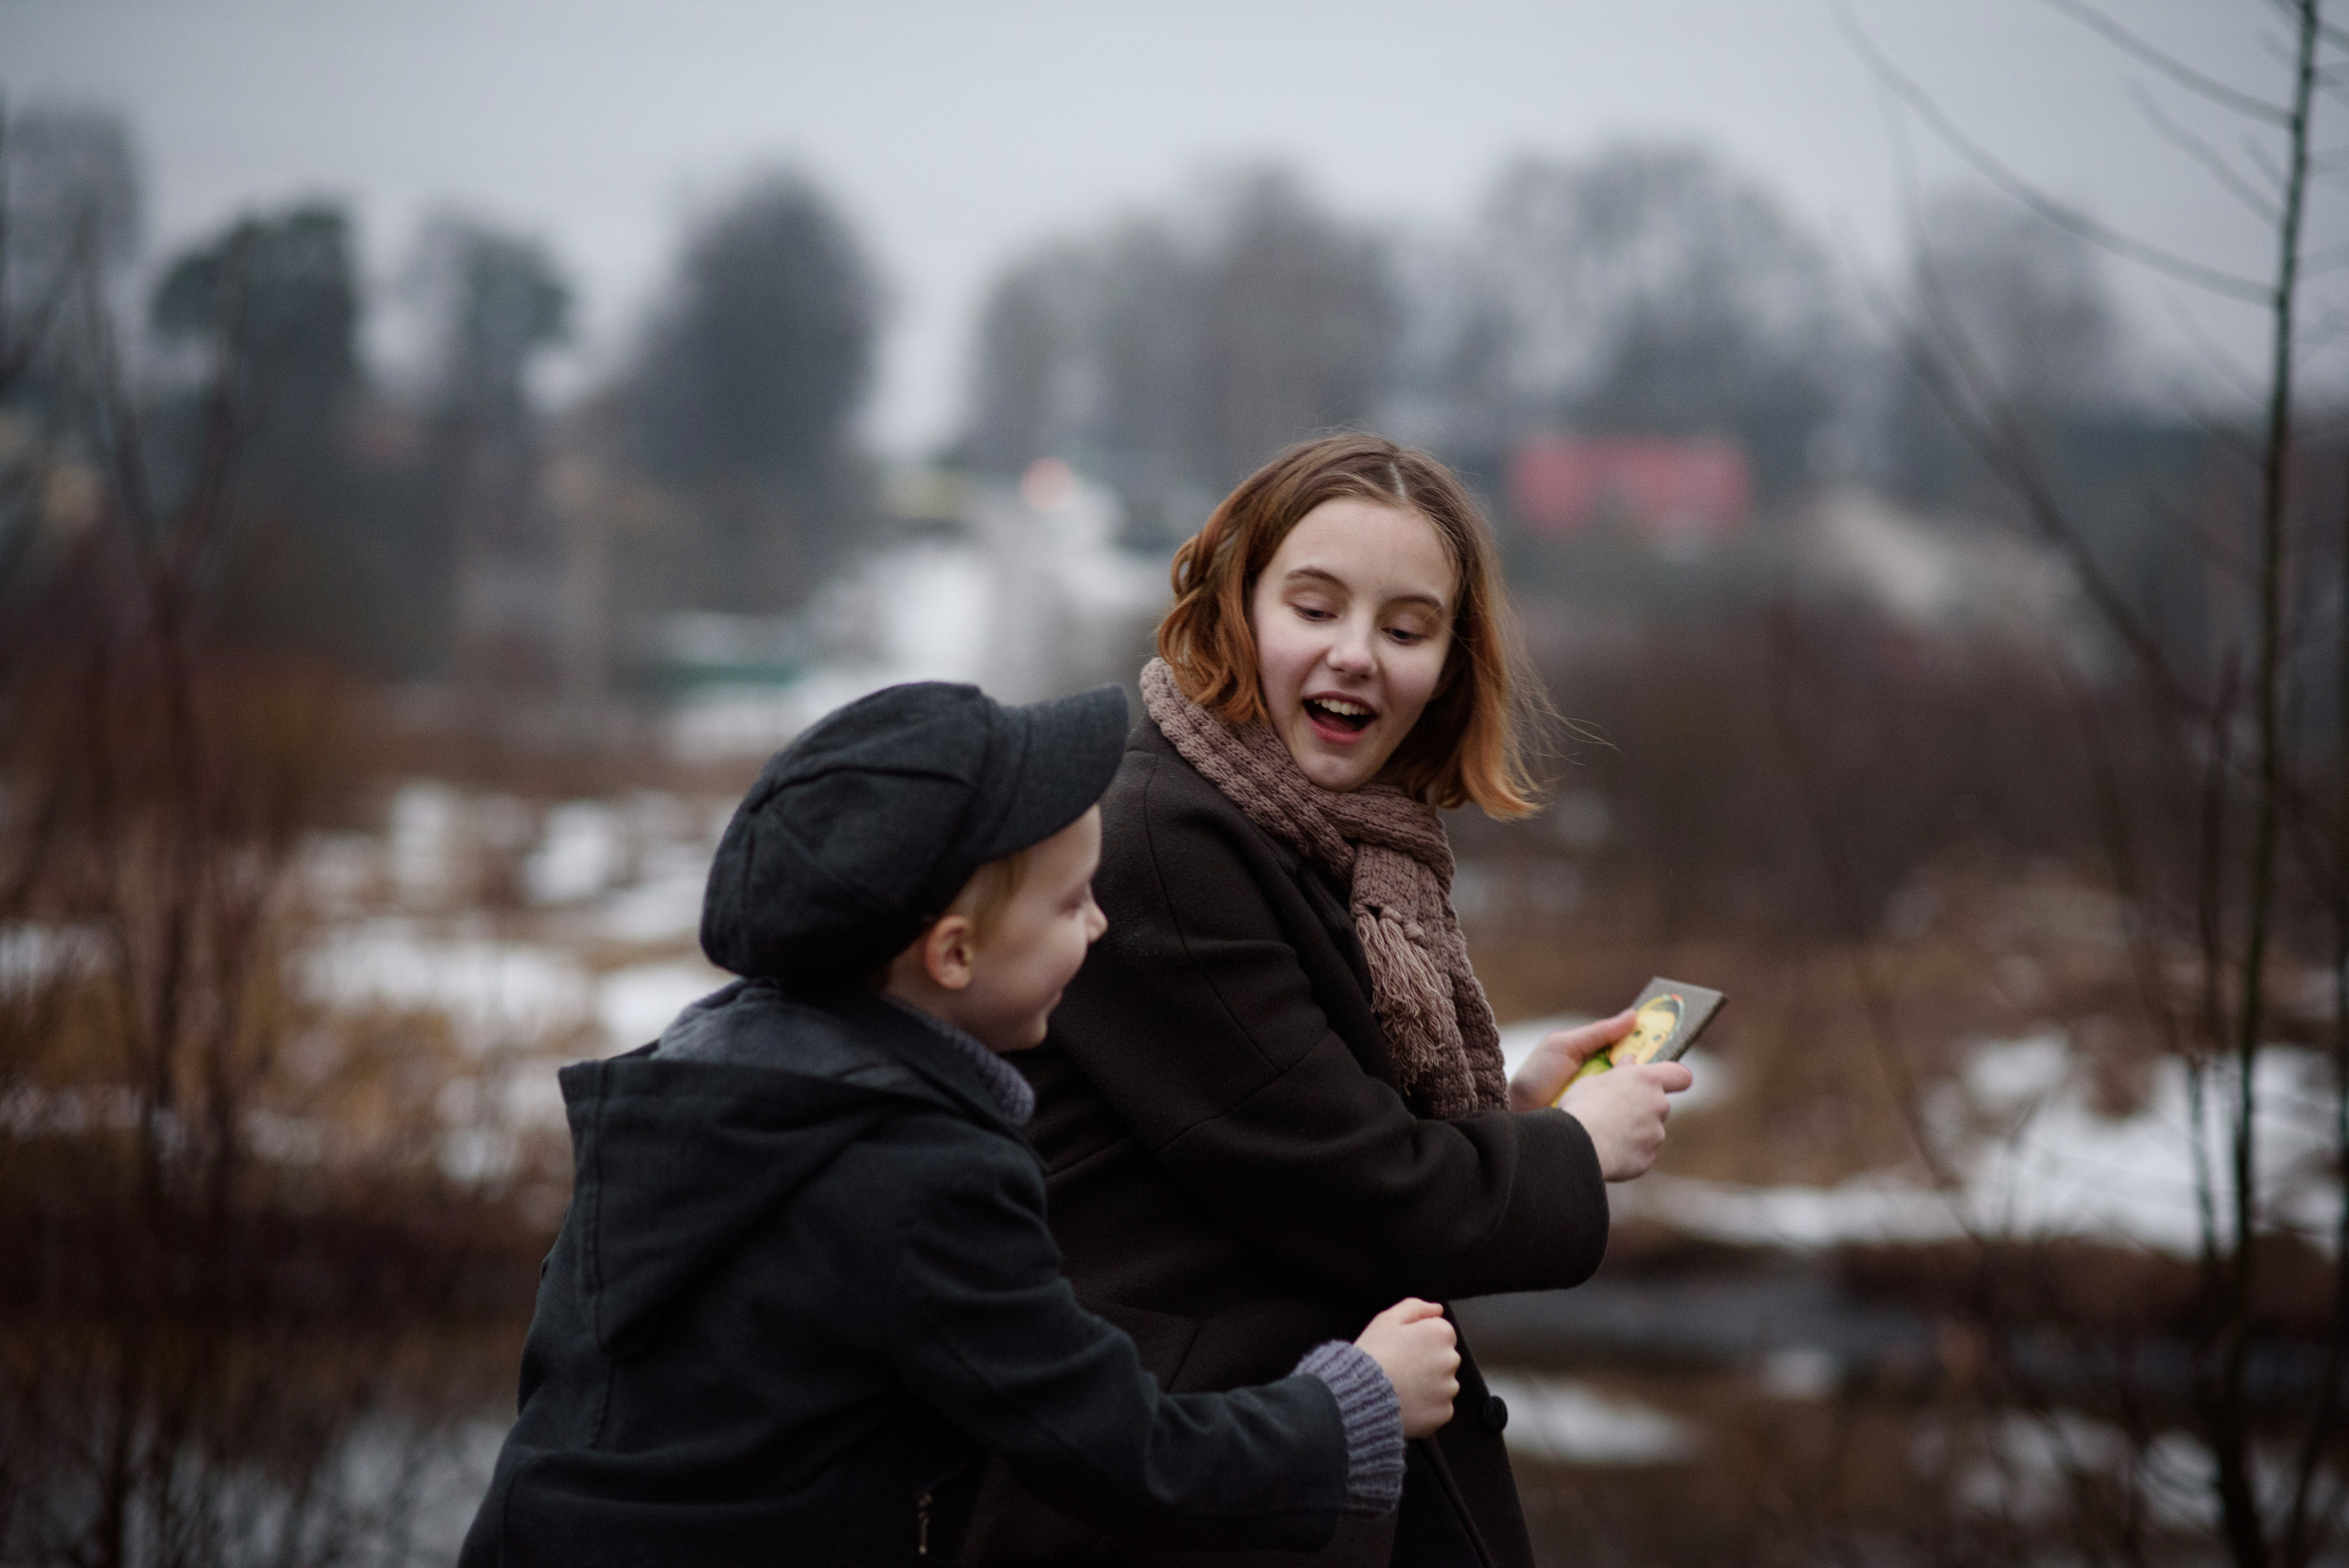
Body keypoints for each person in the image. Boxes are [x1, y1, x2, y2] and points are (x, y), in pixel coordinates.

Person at [457, 681, 1466, 1568]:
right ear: (950, 955)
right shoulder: (919, 1175)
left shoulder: (689, 1093)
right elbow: (1120, 1453)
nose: (1099, 923)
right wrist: (1353, 1407)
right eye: (1070, 904)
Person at [964, 437, 1692, 1568]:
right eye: (1314, 607)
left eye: (1406, 629)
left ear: (1449, 662)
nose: (1355, 654)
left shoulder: (1331, 838)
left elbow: (1294, 1131)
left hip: (1264, 1463)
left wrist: (1512, 1109)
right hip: (1178, 1490)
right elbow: (1352, 1190)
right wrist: (1569, 1150)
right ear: (1236, 607)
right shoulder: (1164, 841)